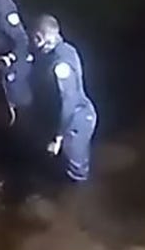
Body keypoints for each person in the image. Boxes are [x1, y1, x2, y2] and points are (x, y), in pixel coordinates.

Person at [30, 14, 98, 181]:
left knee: (76, 175)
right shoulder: (65, 49)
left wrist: (58, 137)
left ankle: (80, 203)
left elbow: (67, 102)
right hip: (70, 120)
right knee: (61, 171)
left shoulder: (61, 64)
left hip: (75, 122)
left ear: (40, 37)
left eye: (34, 39)